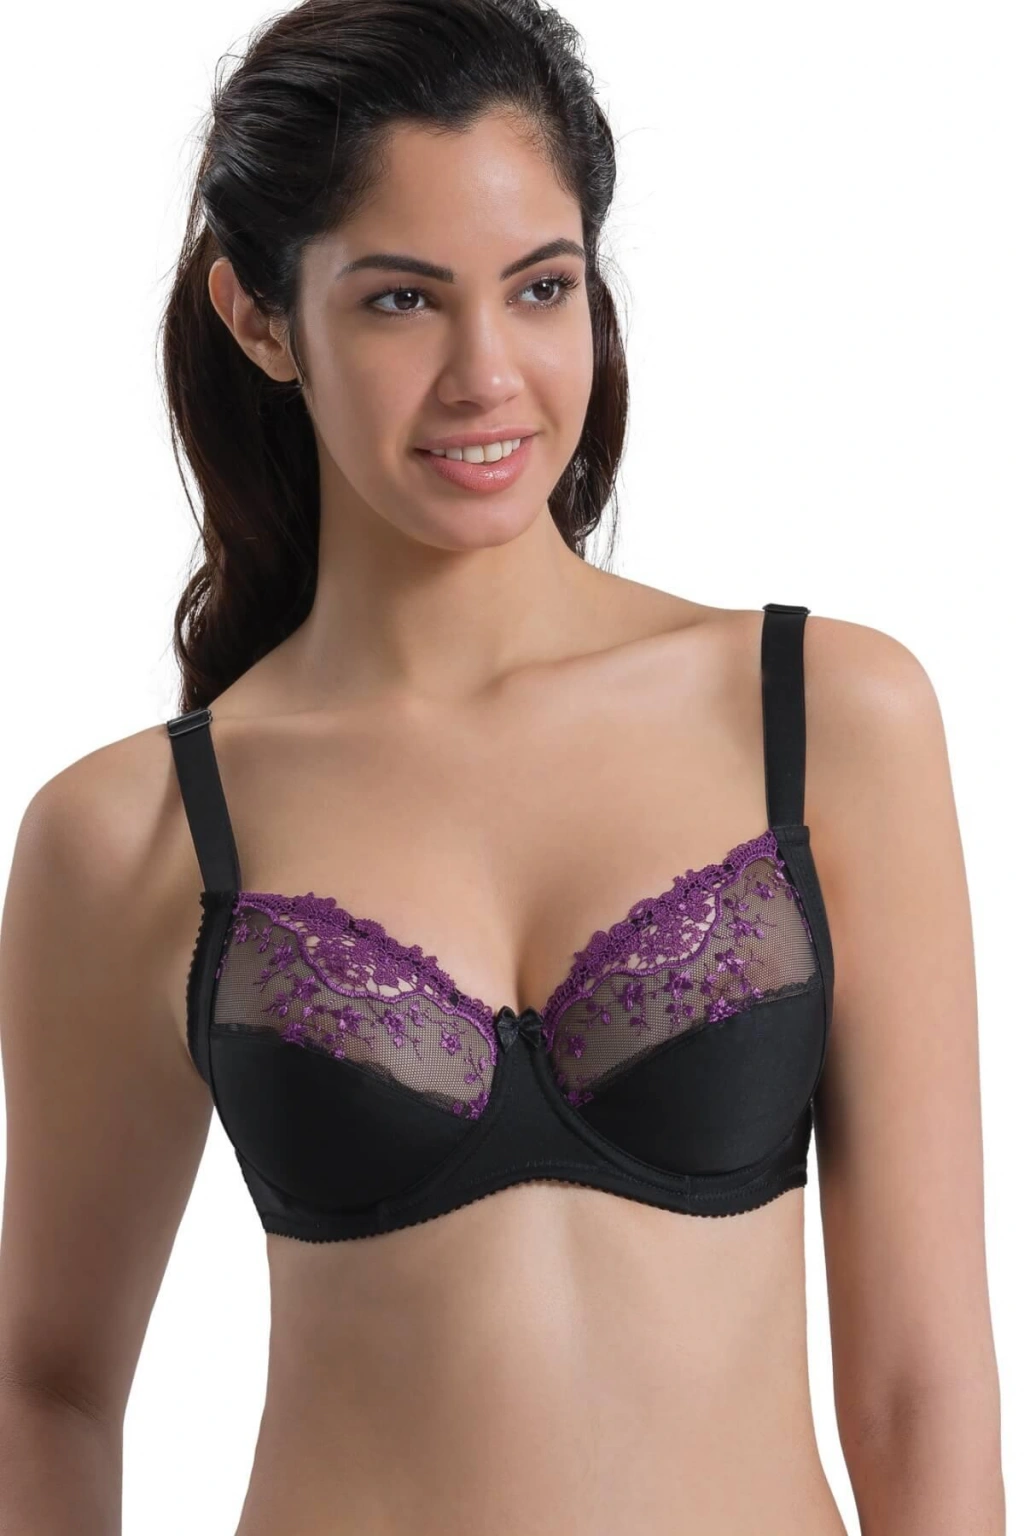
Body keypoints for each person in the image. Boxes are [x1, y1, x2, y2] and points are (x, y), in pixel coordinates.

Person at [0, 1, 1004, 1532]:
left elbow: (924, 1390)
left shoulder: (822, 718)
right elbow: (47, 1381)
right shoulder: (134, 832)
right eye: (403, 301)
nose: (487, 373)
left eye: (540, 288)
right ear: (261, 320)